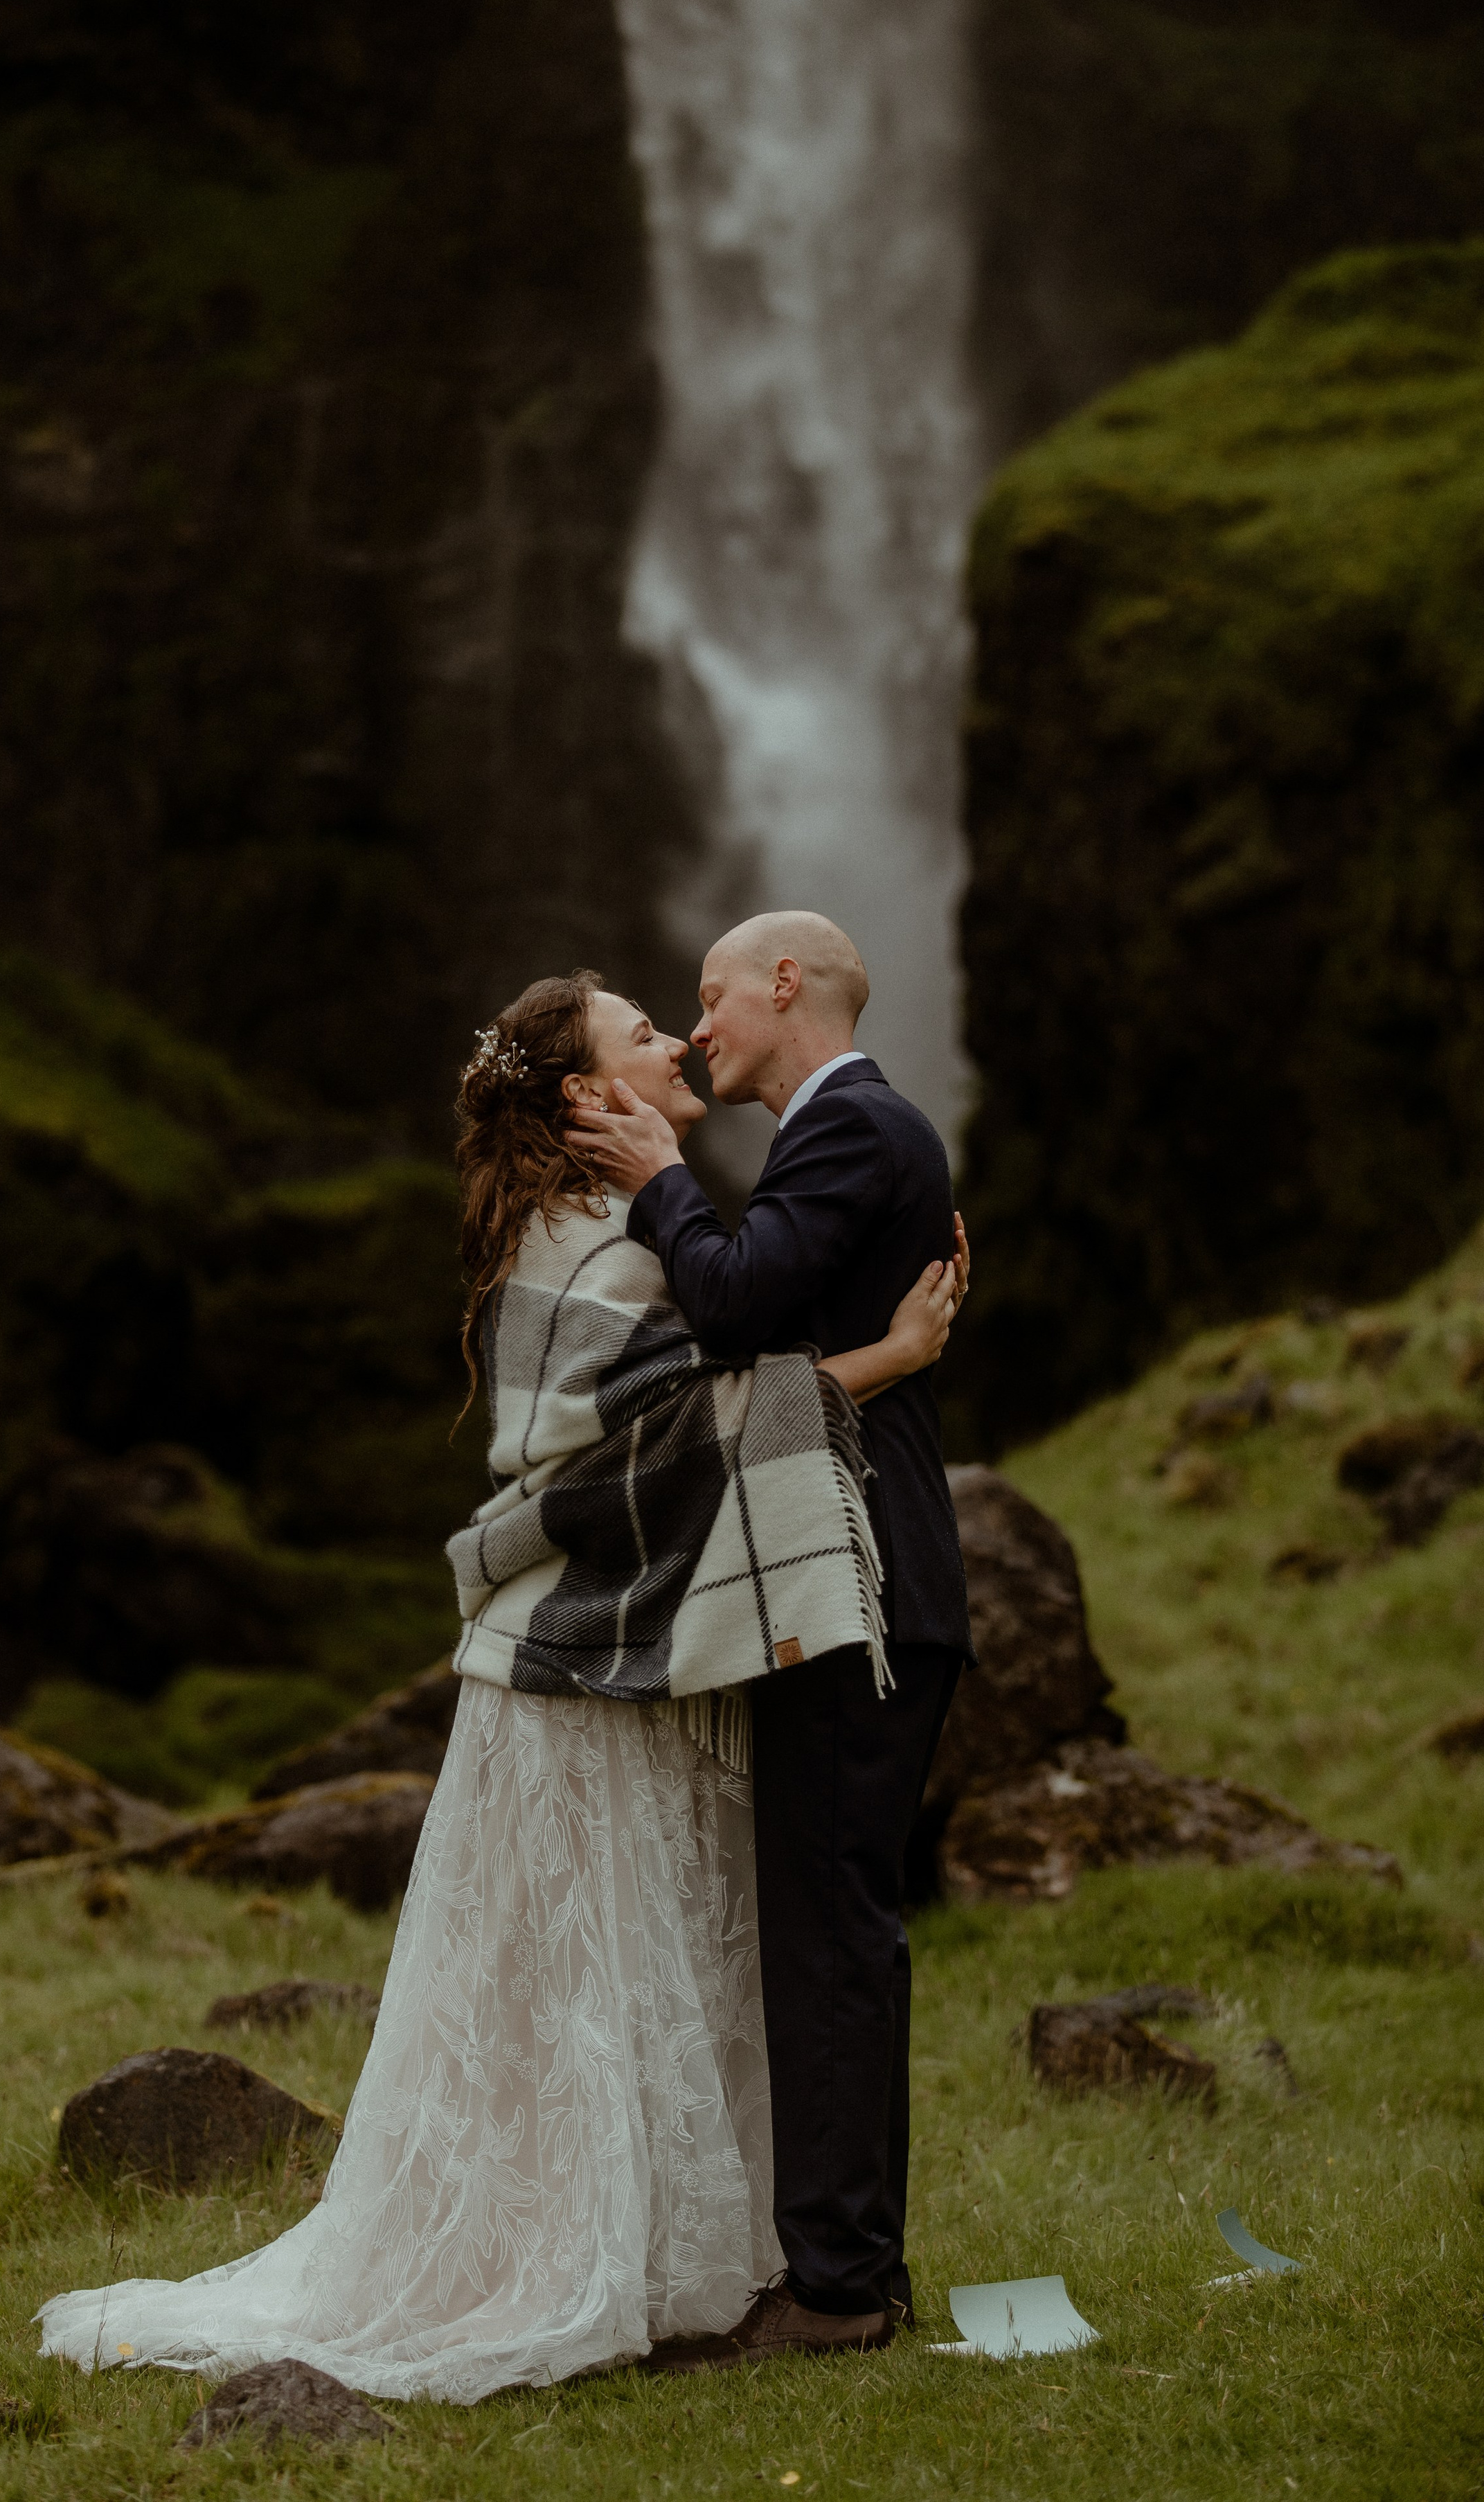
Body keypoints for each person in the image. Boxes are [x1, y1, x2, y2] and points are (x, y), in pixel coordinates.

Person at [36, 968, 962, 2403]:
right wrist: (894, 1353)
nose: (676, 1044)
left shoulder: (623, 1219)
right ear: (590, 1095)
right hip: (579, 1673)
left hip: (620, 1668)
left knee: (619, 1972)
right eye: (645, 1033)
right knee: (572, 1982)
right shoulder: (592, 1239)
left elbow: (709, 1380)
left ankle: (675, 2253)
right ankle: (574, 2257)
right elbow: (655, 1447)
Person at [569, 913, 974, 2365]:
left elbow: (734, 1305)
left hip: (854, 1592)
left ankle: (839, 2293)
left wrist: (663, 1180)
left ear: (784, 983)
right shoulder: (852, 1136)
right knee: (837, 1937)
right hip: (853, 1591)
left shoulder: (850, 1127)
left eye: (711, 996)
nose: (694, 1031)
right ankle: (854, 2273)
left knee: (827, 1941)